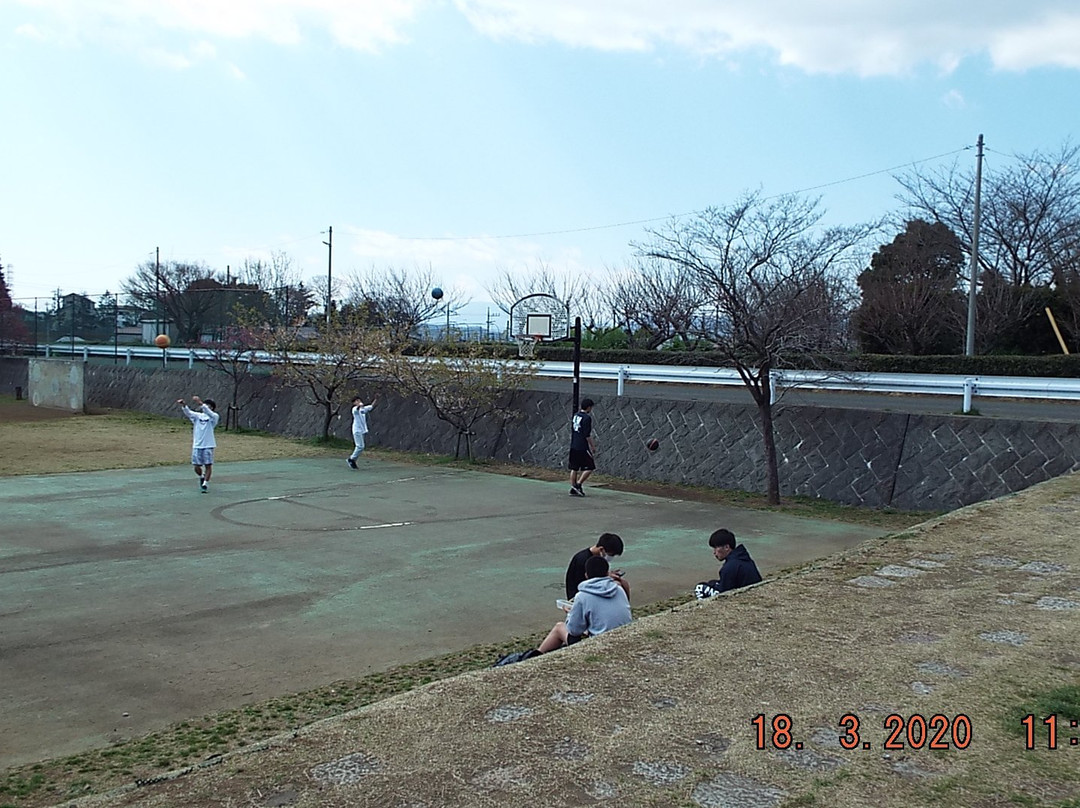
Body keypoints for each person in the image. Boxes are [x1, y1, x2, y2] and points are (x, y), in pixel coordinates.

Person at [538, 556, 632, 653]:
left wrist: (570, 613)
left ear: (586, 575)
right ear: (607, 573)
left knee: (559, 627)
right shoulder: (618, 589)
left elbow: (573, 630)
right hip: (625, 637)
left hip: (601, 644)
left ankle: (536, 654)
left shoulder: (582, 596)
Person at [694, 528, 762, 599]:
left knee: (700, 587)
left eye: (716, 548)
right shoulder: (743, 558)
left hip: (741, 596)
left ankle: (702, 603)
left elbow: (724, 591)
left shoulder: (729, 567)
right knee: (712, 582)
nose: (714, 552)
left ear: (726, 547)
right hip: (750, 590)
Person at [565, 532, 629, 601]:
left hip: (591, 591)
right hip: (581, 596)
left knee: (622, 583)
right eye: (611, 555)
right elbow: (585, 584)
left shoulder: (599, 559)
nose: (611, 557)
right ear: (601, 549)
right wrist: (607, 577)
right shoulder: (583, 560)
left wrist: (608, 574)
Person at [178, 395, 219, 493]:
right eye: (206, 405)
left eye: (209, 406)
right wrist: (184, 405)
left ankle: (205, 484)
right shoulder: (198, 416)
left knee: (208, 465)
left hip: (208, 445)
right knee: (196, 465)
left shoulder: (214, 417)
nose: (206, 407)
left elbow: (209, 412)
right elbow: (189, 413)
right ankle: (201, 477)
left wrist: (200, 403)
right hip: (197, 445)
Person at [568, 398, 596, 496]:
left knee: (574, 468)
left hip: (574, 445)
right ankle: (578, 485)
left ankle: (573, 487)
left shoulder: (576, 415)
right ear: (588, 407)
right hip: (582, 447)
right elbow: (587, 435)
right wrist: (592, 446)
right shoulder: (587, 418)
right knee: (590, 467)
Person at [347, 395, 378, 469]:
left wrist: (376, 399)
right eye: (356, 401)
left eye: (359, 400)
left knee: (360, 447)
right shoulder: (354, 409)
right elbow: (357, 409)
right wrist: (359, 406)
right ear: (354, 403)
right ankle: (351, 459)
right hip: (357, 430)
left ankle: (353, 460)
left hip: (362, 430)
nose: (358, 401)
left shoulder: (363, 409)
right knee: (360, 446)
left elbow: (371, 406)